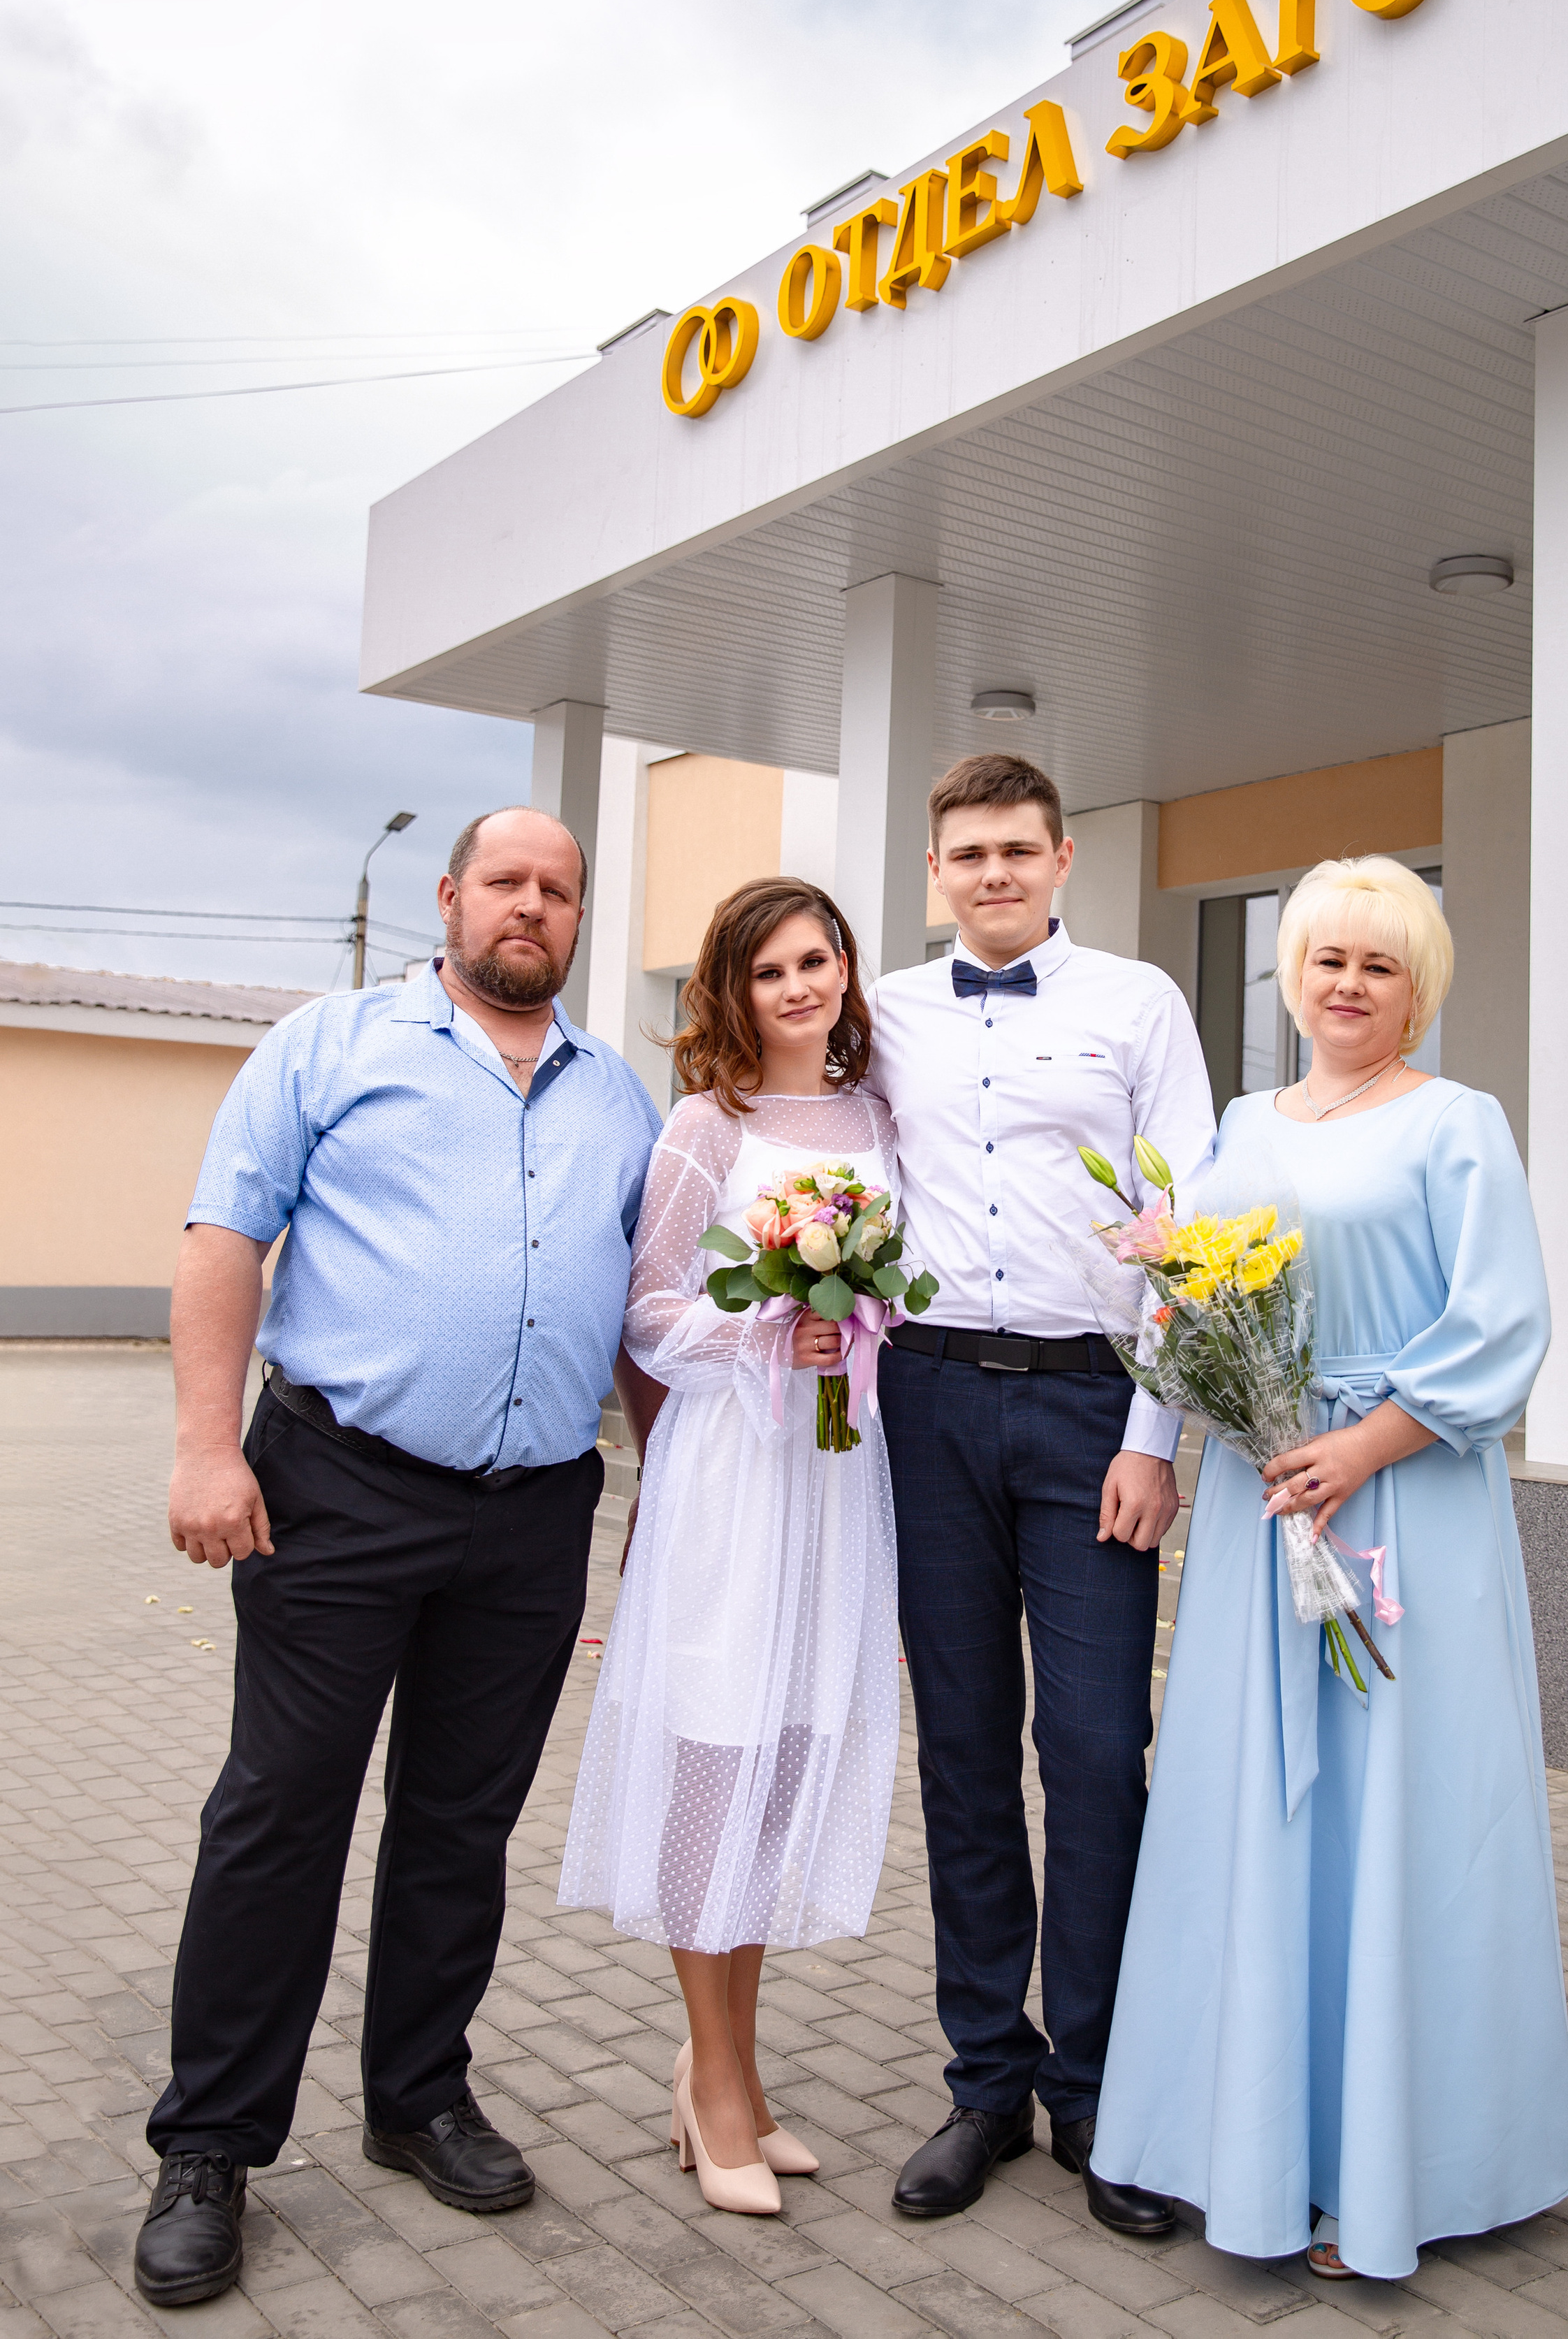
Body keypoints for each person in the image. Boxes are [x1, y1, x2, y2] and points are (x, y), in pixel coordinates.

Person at [134, 806, 664, 2308]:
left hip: (534, 1510)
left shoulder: (616, 1098)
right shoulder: (328, 1043)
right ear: (451, 898)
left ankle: (418, 2092)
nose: (531, 908)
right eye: (507, 881)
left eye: (558, 891)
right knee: (280, 1812)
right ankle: (211, 2146)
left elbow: (638, 1319)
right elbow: (223, 1237)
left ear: (575, 919)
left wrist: (677, 1500)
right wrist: (203, 1443)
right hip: (337, 1490)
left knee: (458, 1821)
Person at [1093, 856, 1568, 2281]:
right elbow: (1180, 1294)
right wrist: (1174, 1444)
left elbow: (1499, 1319)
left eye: (1378, 963)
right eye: (1326, 958)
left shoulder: (1456, 1122)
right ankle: (1246, 2144)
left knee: (1398, 1814)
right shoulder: (1241, 1124)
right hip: (1263, 1508)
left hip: (1405, 1508)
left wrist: (1363, 1443)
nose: (1348, 983)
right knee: (1261, 1812)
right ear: (1290, 972)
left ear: (1414, 985)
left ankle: (1389, 2168)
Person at [867, 753, 1216, 2233]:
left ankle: (1096, 2089)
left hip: (1089, 1408)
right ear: (933, 869)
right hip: (927, 1396)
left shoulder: (1138, 1002)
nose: (992, 872)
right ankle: (982, 2080)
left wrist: (1155, 1431)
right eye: (966, 853)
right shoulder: (876, 1011)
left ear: (1063, 856)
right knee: (959, 1750)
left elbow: (1190, 1213)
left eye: (1016, 848)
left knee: (1088, 1749)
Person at [559, 879, 902, 2218]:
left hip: (835, 1471)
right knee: (716, 1751)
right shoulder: (709, 1125)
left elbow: (890, 1296)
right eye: (770, 973)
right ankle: (709, 2088)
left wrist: (849, 1328)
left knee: (783, 1763)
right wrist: (772, 1329)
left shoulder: (875, 1118)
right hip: (732, 1475)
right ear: (732, 991)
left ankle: (742, 2078)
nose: (799, 987)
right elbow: (649, 1314)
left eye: (817, 961)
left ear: (844, 973)